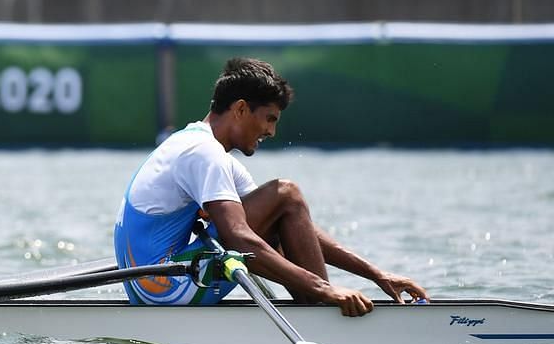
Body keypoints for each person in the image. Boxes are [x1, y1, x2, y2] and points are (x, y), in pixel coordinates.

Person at [113, 57, 428, 317]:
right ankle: (320, 310)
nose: (272, 131)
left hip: (160, 285)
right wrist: (323, 287)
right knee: (287, 191)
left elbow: (294, 224)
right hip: (166, 291)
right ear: (239, 109)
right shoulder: (204, 154)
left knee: (284, 205)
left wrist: (376, 274)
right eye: (269, 119)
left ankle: (316, 305)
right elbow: (239, 236)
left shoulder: (198, 146)